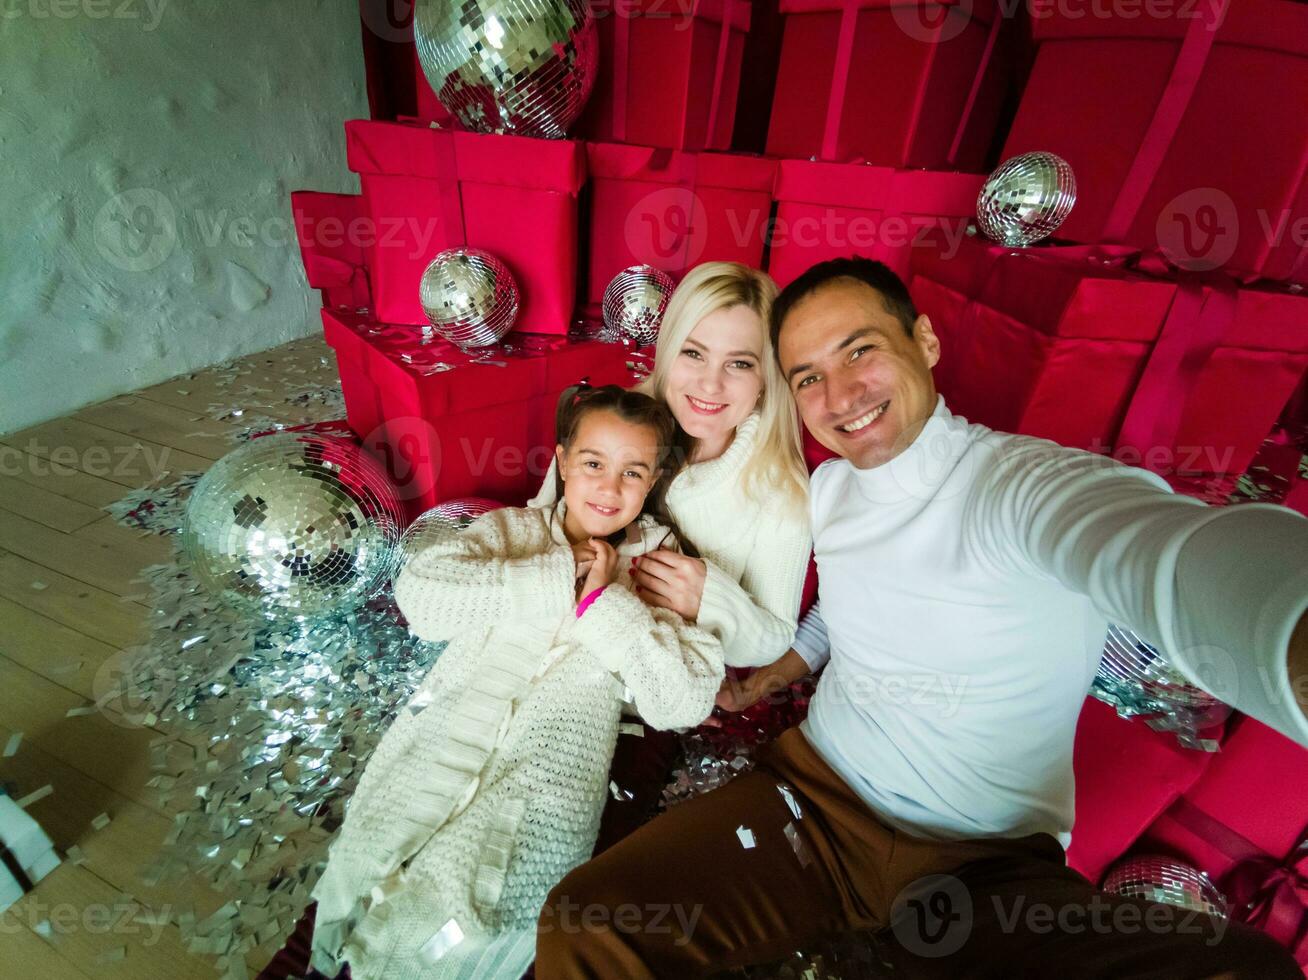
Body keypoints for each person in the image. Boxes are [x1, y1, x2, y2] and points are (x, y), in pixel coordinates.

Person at [534, 257, 1308, 978]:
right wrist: (780, 669)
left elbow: (1166, 555)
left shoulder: (1020, 485)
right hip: (811, 799)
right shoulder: (831, 491)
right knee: (590, 921)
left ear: (925, 340)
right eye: (809, 377)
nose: (840, 395)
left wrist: (1287, 630)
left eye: (859, 351)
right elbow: (844, 603)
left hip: (982, 863)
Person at [308, 385, 725, 980]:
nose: (609, 488)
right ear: (561, 461)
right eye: (593, 465)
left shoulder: (655, 567)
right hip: (443, 735)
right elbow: (421, 599)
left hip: (541, 773)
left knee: (467, 908)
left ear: (655, 478)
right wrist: (557, 574)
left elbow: (681, 701)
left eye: (632, 472)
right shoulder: (513, 533)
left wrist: (604, 603)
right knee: (368, 853)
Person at [529, 261, 813, 850]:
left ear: (767, 379)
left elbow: (773, 637)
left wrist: (713, 596)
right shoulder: (622, 419)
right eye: (694, 353)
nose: (710, 386)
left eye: (740, 363)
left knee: (576, 824)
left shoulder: (778, 488)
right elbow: (545, 519)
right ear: (666, 353)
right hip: (555, 641)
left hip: (652, 680)